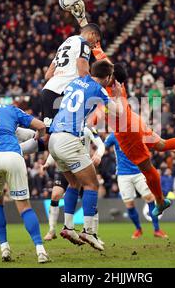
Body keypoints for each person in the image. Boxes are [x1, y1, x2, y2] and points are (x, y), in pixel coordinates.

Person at [90, 49, 175, 218]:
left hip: (128, 134)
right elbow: (104, 61)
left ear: (109, 78)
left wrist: (90, 121)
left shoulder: (106, 93)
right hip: (136, 122)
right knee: (163, 144)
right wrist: (94, 45)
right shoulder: (116, 82)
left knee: (147, 169)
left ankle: (160, 201)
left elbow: (99, 114)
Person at [0, 83, 50, 263]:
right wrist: (38, 135)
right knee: (24, 206)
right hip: (13, 155)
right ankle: (40, 250)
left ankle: (4, 248)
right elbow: (41, 125)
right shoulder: (10, 109)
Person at [48, 59, 123, 251]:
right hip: (69, 138)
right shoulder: (100, 90)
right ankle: (89, 231)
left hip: (53, 139)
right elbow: (118, 113)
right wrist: (117, 95)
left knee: (74, 183)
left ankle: (68, 227)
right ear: (107, 78)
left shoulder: (75, 81)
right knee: (92, 184)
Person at [41, 23, 102, 232]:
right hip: (60, 95)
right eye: (96, 42)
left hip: (48, 92)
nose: (94, 46)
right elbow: (83, 68)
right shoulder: (84, 43)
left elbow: (48, 75)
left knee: (52, 140)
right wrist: (88, 84)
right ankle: (87, 229)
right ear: (92, 35)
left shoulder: (65, 43)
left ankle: (66, 225)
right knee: (61, 136)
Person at [42, 126, 105, 241]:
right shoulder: (64, 126)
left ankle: (93, 233)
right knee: (55, 195)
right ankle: (52, 230)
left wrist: (98, 155)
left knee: (89, 198)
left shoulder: (88, 128)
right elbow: (56, 146)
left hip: (82, 167)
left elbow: (101, 144)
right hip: (65, 166)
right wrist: (48, 162)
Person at [104, 132, 168, 239]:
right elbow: (103, 146)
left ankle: (157, 230)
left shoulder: (136, 132)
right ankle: (138, 229)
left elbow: (150, 141)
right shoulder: (113, 136)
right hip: (123, 175)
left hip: (139, 172)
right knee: (129, 204)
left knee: (150, 198)